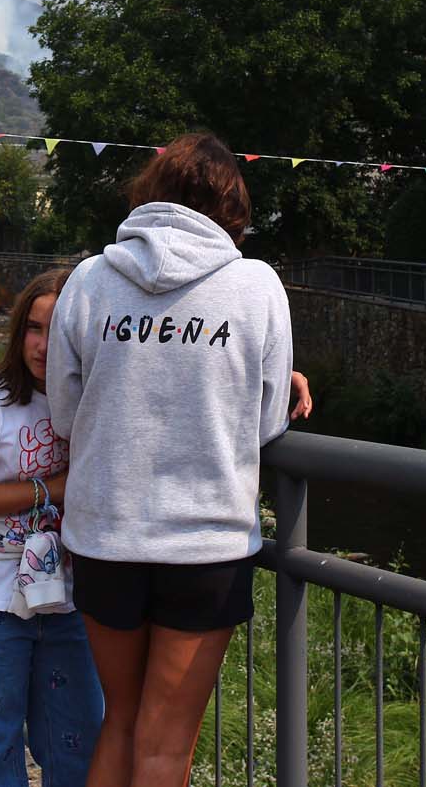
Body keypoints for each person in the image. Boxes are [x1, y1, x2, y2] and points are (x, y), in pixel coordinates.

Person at [45, 132, 297, 787]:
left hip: (104, 536)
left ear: (148, 197)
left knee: (121, 720)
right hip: (205, 546)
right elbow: (267, 423)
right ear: (233, 207)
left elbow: (66, 416)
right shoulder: (256, 284)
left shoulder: (90, 279)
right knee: (166, 743)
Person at [0, 269, 103, 787]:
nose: (45, 346)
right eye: (34, 328)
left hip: (66, 601)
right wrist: (49, 489)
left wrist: (276, 380)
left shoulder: (94, 403)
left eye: (60, 332)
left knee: (77, 746)